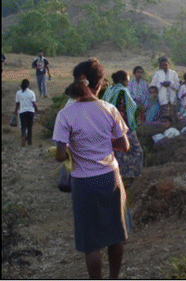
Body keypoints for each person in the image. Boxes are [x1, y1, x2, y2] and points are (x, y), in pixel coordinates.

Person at [52, 58, 130, 279]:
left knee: (91, 243)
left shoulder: (65, 115)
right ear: (100, 83)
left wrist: (69, 151)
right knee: (116, 235)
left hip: (83, 182)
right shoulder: (110, 109)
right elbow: (124, 145)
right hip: (110, 178)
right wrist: (104, 144)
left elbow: (59, 155)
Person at [104, 70, 143, 181]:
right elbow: (131, 109)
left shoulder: (109, 90)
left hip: (110, 127)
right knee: (136, 151)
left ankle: (118, 174)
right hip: (124, 126)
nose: (128, 83)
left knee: (117, 150)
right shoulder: (123, 91)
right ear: (121, 81)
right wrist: (133, 124)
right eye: (127, 81)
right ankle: (131, 174)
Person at [14, 79, 38, 146]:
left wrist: (15, 111)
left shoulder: (18, 93)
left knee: (23, 127)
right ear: (28, 85)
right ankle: (30, 142)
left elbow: (17, 103)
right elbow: (34, 103)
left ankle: (23, 138)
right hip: (30, 112)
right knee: (30, 127)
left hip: (22, 112)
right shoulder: (31, 92)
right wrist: (36, 109)